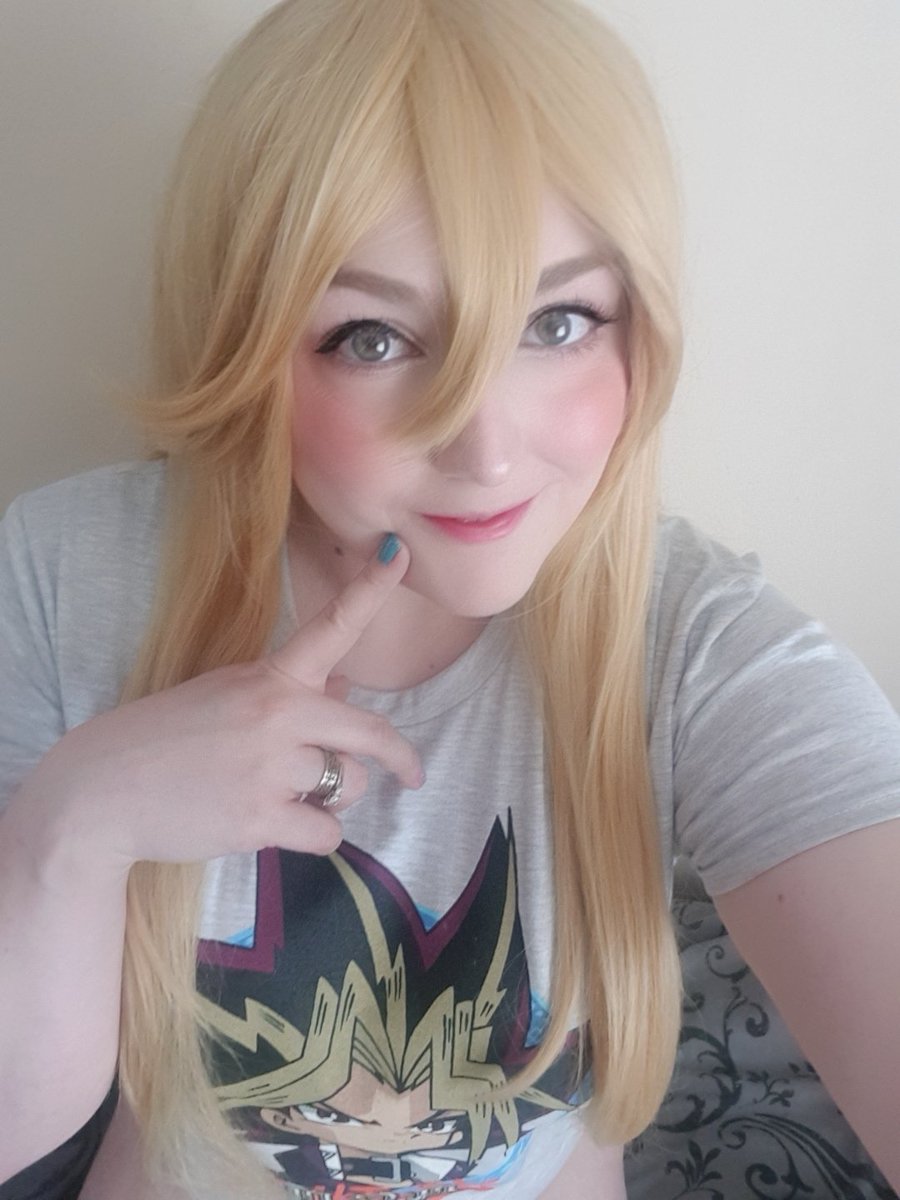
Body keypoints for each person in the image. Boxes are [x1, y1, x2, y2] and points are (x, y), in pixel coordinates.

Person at [0, 1, 898, 1198]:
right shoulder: (64, 576)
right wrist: (75, 828)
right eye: (373, 339)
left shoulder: (698, 648)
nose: (486, 449)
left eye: (558, 322)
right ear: (249, 342)